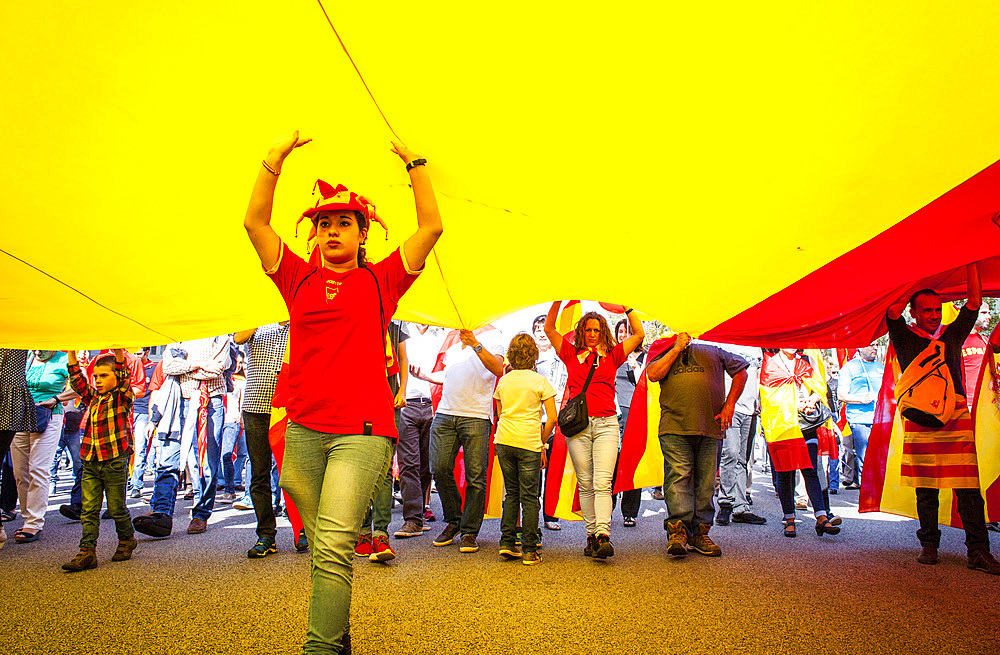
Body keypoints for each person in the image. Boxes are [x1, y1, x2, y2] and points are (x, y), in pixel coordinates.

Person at [244, 131, 442, 653]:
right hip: (305, 430)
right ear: (314, 235)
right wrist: (273, 162)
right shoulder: (296, 278)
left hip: (363, 430)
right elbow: (254, 223)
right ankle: (340, 637)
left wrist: (414, 165)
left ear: (361, 234)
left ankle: (321, 648)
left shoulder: (381, 282)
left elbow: (432, 226)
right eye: (324, 223)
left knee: (332, 544)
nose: (332, 230)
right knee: (324, 548)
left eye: (343, 223)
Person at [886, 266, 999, 574]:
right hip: (920, 417)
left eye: (937, 310)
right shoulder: (903, 337)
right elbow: (892, 310)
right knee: (926, 489)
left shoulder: (951, 335)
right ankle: (929, 545)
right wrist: (921, 272)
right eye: (927, 310)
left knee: (968, 489)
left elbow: (974, 301)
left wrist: (971, 259)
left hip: (956, 416)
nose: (934, 315)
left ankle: (978, 551)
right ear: (914, 312)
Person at [544, 302, 644, 559]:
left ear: (603, 332)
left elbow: (639, 335)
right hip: (578, 426)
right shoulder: (569, 353)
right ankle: (591, 537)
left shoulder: (613, 355)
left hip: (607, 424)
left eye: (596, 330)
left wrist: (628, 307)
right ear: (581, 331)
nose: (591, 333)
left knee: (602, 482)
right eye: (588, 329)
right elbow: (549, 328)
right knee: (586, 483)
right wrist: (558, 299)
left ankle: (603, 534)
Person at [645, 335, 748, 558]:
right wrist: (676, 348)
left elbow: (741, 371)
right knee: (678, 478)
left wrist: (730, 404)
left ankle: (700, 533)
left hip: (711, 426)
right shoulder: (665, 346)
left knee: (706, 483)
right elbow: (653, 374)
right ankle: (678, 532)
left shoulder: (714, 347)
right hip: (674, 426)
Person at [133, 337, 230, 537]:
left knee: (206, 463)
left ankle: (201, 514)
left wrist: (185, 367)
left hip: (209, 403)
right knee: (167, 458)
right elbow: (168, 366)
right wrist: (200, 364)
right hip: (177, 402)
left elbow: (216, 369)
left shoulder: (221, 335)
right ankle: (161, 513)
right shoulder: (178, 335)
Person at [425, 328, 505, 554]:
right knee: (438, 468)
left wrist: (475, 344)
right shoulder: (452, 336)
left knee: (476, 477)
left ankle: (469, 531)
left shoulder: (496, 334)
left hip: (477, 415)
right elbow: (449, 374)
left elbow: (498, 368)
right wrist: (426, 377)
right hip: (445, 412)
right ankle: (454, 520)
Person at [62, 349, 136, 571]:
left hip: (114, 460)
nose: (98, 380)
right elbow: (77, 381)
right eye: (96, 376)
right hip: (91, 460)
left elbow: (124, 374)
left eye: (104, 375)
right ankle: (87, 551)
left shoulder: (122, 397)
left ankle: (126, 539)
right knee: (89, 509)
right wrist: (72, 354)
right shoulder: (92, 397)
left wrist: (119, 351)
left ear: (117, 376)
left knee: (116, 507)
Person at [760, 349, 842, 539]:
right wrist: (795, 404)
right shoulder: (770, 364)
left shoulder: (805, 361)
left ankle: (821, 517)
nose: (791, 343)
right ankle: (789, 518)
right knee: (785, 472)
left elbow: (819, 388)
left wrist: (812, 399)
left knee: (810, 469)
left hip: (807, 424)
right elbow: (768, 397)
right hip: (782, 426)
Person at [494, 334, 557, 565]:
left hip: (504, 441)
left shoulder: (504, 381)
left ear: (511, 354)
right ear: (534, 355)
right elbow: (552, 418)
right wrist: (542, 442)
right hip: (529, 442)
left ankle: (507, 543)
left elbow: (500, 414)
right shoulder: (540, 381)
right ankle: (530, 550)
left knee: (511, 494)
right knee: (530, 497)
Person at [233, 321, 292, 557]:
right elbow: (238, 337)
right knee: (259, 474)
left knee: (295, 473)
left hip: (290, 409)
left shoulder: (298, 321)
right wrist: (261, 313)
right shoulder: (258, 321)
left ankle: (303, 531)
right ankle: (266, 534)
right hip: (255, 407)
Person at [355, 319, 408, 562]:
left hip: (389, 397)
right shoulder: (357, 318)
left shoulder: (395, 324)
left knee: (385, 467)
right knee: (359, 465)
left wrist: (403, 390)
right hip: (359, 396)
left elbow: (403, 359)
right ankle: (363, 531)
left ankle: (381, 533)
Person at [11, 349, 69, 543]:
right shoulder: (25, 357)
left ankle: (34, 522)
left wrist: (57, 399)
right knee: (20, 471)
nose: (37, 350)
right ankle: (28, 515)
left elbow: (83, 386)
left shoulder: (64, 359)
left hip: (48, 416)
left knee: (38, 468)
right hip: (20, 415)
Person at [394, 322, 440, 538]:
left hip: (433, 404)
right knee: (409, 464)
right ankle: (412, 519)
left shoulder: (440, 335)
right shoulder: (402, 333)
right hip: (407, 404)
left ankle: (419, 515)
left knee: (427, 466)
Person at [716, 345, 767, 526]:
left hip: (751, 410)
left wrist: (760, 403)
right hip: (731, 407)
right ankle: (725, 503)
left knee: (744, 460)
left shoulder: (755, 347)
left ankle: (740, 507)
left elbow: (759, 376)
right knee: (730, 454)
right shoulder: (723, 342)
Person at [0, 349, 37, 547]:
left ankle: (30, 521)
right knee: (14, 469)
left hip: (9, 401)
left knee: (34, 469)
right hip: (10, 398)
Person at [533, 314, 566, 531]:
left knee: (554, 471)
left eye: (544, 328)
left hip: (558, 421)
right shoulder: (528, 360)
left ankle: (550, 515)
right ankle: (532, 517)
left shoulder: (562, 357)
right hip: (535, 422)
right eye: (537, 329)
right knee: (534, 472)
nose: (541, 332)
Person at [612, 318, 644, 527]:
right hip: (614, 415)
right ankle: (608, 507)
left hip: (636, 413)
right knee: (612, 462)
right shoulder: (612, 355)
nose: (623, 334)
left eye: (627, 331)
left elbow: (648, 383)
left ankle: (630, 512)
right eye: (620, 331)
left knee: (632, 463)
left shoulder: (645, 356)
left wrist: (636, 367)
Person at [837, 343, 883, 489]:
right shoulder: (850, 367)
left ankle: (880, 489)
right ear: (859, 347)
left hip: (881, 419)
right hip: (860, 419)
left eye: (876, 345)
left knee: (880, 457)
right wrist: (862, 399)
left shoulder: (881, 368)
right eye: (870, 345)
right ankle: (867, 490)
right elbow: (841, 395)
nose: (874, 348)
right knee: (865, 456)